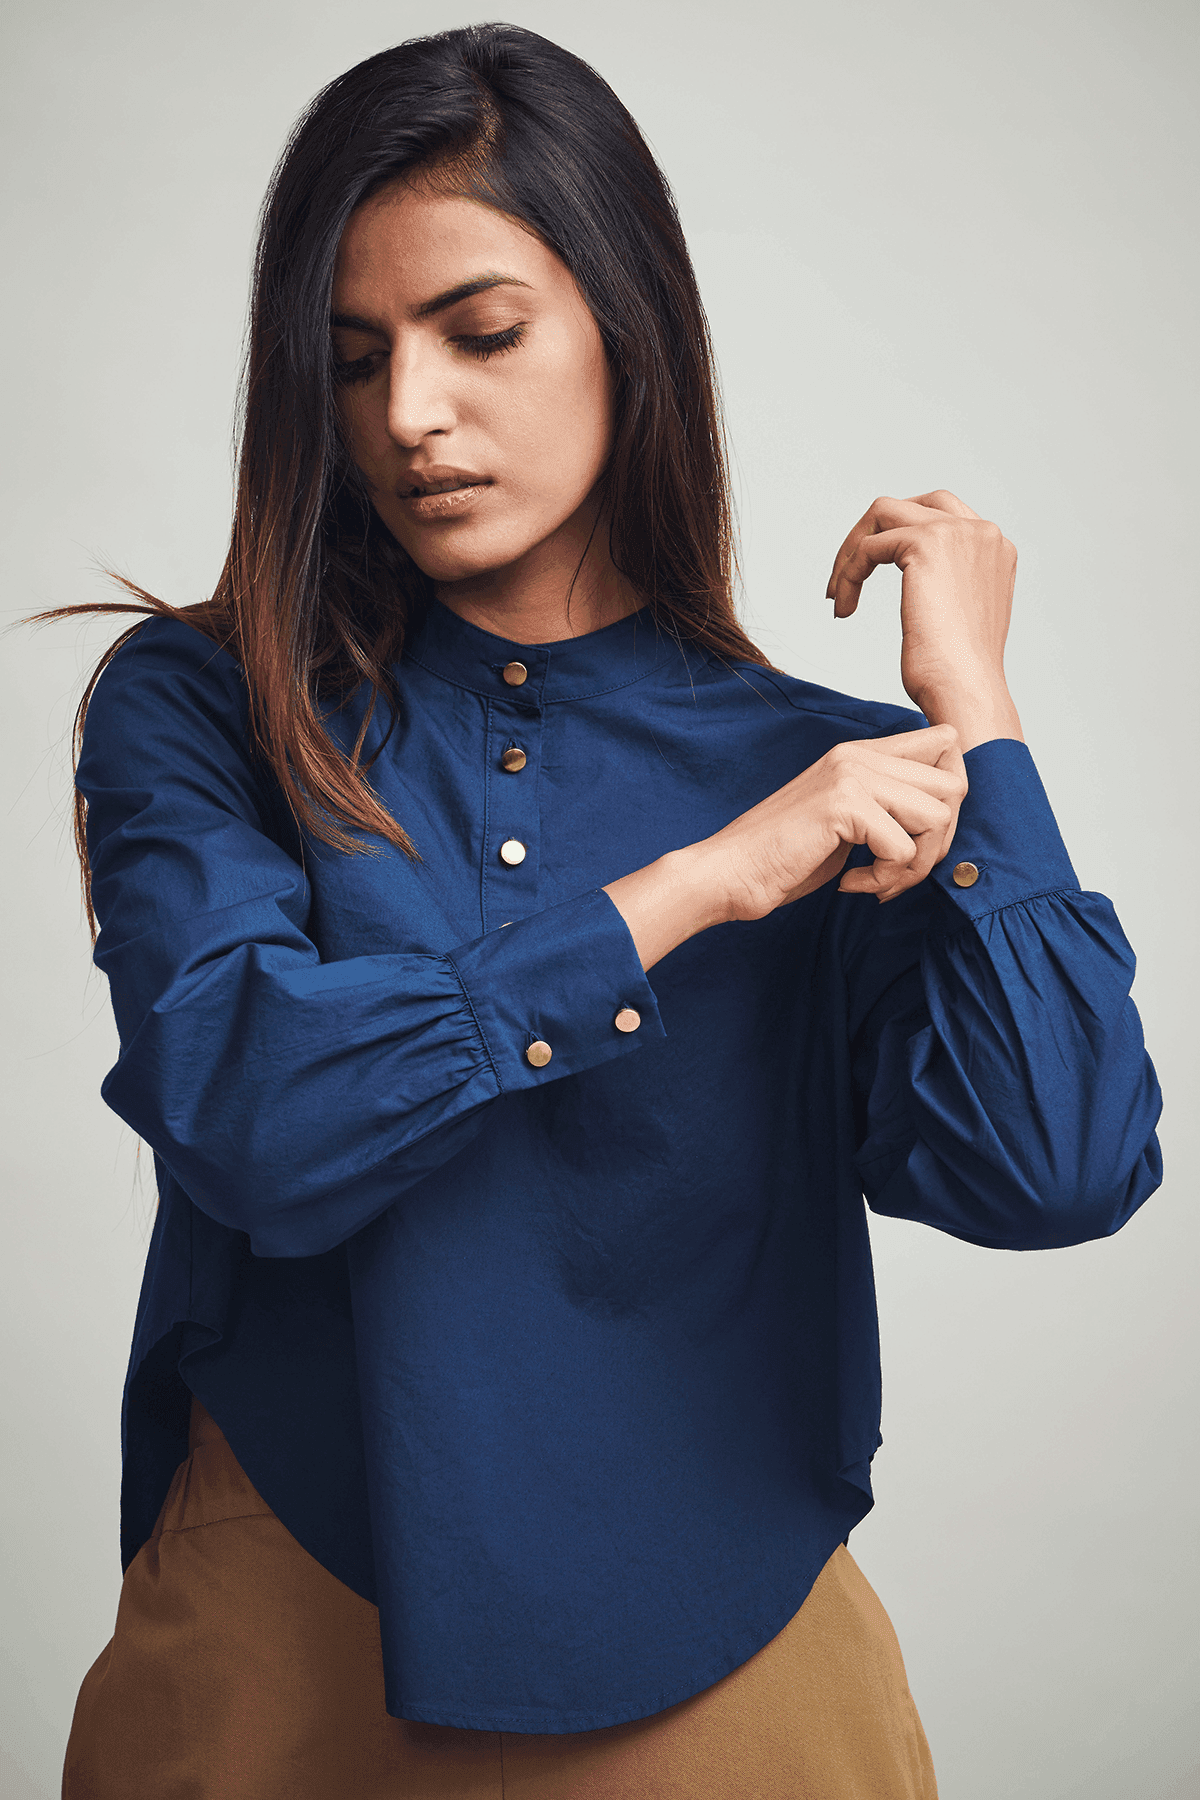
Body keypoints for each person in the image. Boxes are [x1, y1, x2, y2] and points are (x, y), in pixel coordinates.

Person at [53, 22, 1162, 1799]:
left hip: (737, 1637)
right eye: (353, 360)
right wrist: (694, 889)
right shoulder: (211, 708)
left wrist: (979, 719)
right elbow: (252, 1114)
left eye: (481, 333)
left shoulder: (830, 777)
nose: (410, 415)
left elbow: (1058, 1167)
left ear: (626, 328)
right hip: (287, 1628)